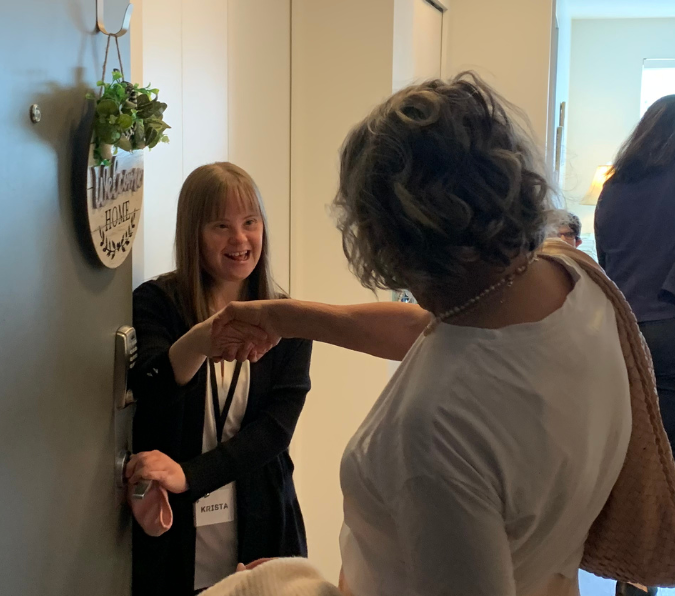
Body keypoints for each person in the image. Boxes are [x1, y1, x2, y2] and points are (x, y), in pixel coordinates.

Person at [214, 74, 631, 596]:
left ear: (389, 235)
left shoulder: (434, 432)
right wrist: (286, 318)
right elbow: (438, 337)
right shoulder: (573, 283)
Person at [127, 162, 312, 596]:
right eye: (221, 226)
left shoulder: (286, 316)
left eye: (251, 223)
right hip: (172, 530)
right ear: (194, 233)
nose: (240, 240)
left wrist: (190, 475)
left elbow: (275, 430)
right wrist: (200, 340)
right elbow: (151, 395)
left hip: (262, 518)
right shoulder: (156, 303)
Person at [596, 94, 675, 450]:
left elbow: (606, 264)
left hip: (619, 329)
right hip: (668, 324)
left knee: (631, 449)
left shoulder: (613, 186)